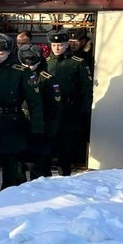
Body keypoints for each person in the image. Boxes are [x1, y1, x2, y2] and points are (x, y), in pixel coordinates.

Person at [0, 33, 43, 199]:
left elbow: (34, 102)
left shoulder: (20, 71)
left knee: (10, 166)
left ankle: (6, 200)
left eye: (1, 54)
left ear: (9, 53)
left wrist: (36, 128)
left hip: (11, 121)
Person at [46, 30, 92, 176]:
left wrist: (84, 110)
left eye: (60, 45)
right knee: (47, 145)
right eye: (54, 45)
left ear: (67, 45)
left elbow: (86, 88)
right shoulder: (46, 62)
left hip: (69, 110)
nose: (57, 48)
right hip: (50, 110)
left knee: (66, 147)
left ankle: (64, 174)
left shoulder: (77, 63)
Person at [17, 44, 62, 180]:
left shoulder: (47, 79)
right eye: (26, 65)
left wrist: (50, 130)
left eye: (32, 64)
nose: (29, 67)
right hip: (20, 125)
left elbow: (56, 107)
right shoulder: (17, 76)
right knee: (18, 163)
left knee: (39, 165)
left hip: (41, 126)